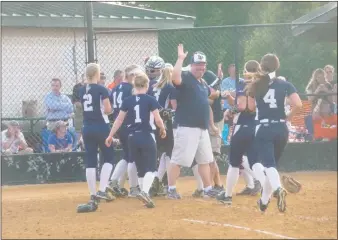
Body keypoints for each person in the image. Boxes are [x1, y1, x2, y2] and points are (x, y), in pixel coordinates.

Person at [245, 53, 302, 213]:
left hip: (263, 127)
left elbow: (250, 108)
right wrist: (287, 118)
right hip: (281, 128)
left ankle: (278, 189)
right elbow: (298, 105)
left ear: (261, 66)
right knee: (272, 168)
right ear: (277, 67)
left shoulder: (255, 85)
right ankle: (263, 203)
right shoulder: (284, 84)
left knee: (269, 165)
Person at [105, 73, 166, 208]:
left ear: (134, 86)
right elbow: (157, 119)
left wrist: (110, 135)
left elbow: (119, 120)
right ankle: (144, 192)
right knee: (151, 166)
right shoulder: (150, 100)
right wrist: (163, 128)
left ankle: (140, 191)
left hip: (131, 137)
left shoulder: (128, 101)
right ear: (146, 85)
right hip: (146, 135)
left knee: (140, 167)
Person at [166, 44, 214, 199]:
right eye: (197, 65)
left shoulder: (202, 83)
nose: (200, 68)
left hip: (202, 128)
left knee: (205, 160)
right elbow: (175, 77)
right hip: (187, 126)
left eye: (202, 65)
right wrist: (180, 59)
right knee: (178, 159)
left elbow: (207, 101)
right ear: (191, 65)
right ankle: (171, 189)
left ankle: (208, 189)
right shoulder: (186, 77)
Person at [216, 60, 262, 205]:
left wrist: (230, 111)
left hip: (243, 126)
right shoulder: (263, 85)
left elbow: (242, 106)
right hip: (257, 126)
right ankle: (271, 186)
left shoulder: (245, 84)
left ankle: (228, 196)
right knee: (254, 161)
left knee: (234, 162)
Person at [76, 63, 116, 213]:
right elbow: (107, 109)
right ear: (97, 74)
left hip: (87, 127)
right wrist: (111, 109)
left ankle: (93, 195)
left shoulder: (81, 90)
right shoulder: (101, 89)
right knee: (109, 158)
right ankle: (102, 189)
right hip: (101, 126)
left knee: (91, 160)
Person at [107, 65, 144, 198]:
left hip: (119, 124)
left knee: (127, 156)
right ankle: (132, 187)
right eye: (135, 75)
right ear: (130, 76)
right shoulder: (131, 89)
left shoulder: (116, 88)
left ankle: (114, 182)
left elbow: (111, 107)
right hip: (128, 124)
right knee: (132, 157)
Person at [147, 63, 177, 197]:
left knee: (163, 153)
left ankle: (157, 181)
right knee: (169, 153)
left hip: (151, 121)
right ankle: (168, 184)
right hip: (163, 121)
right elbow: (175, 108)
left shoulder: (153, 86)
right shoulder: (170, 87)